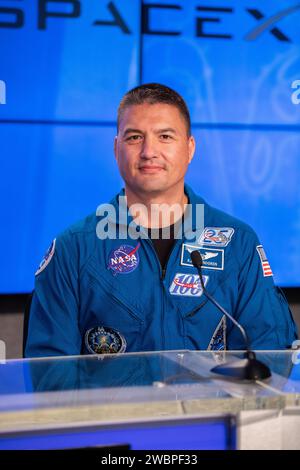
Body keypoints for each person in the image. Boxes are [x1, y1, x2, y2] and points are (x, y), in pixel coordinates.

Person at [24, 83, 297, 358]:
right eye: (134, 138)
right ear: (116, 148)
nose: (148, 151)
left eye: (165, 136)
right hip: (112, 404)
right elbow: (49, 375)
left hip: (211, 402)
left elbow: (268, 359)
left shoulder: (238, 243)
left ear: (189, 148)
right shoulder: (74, 249)